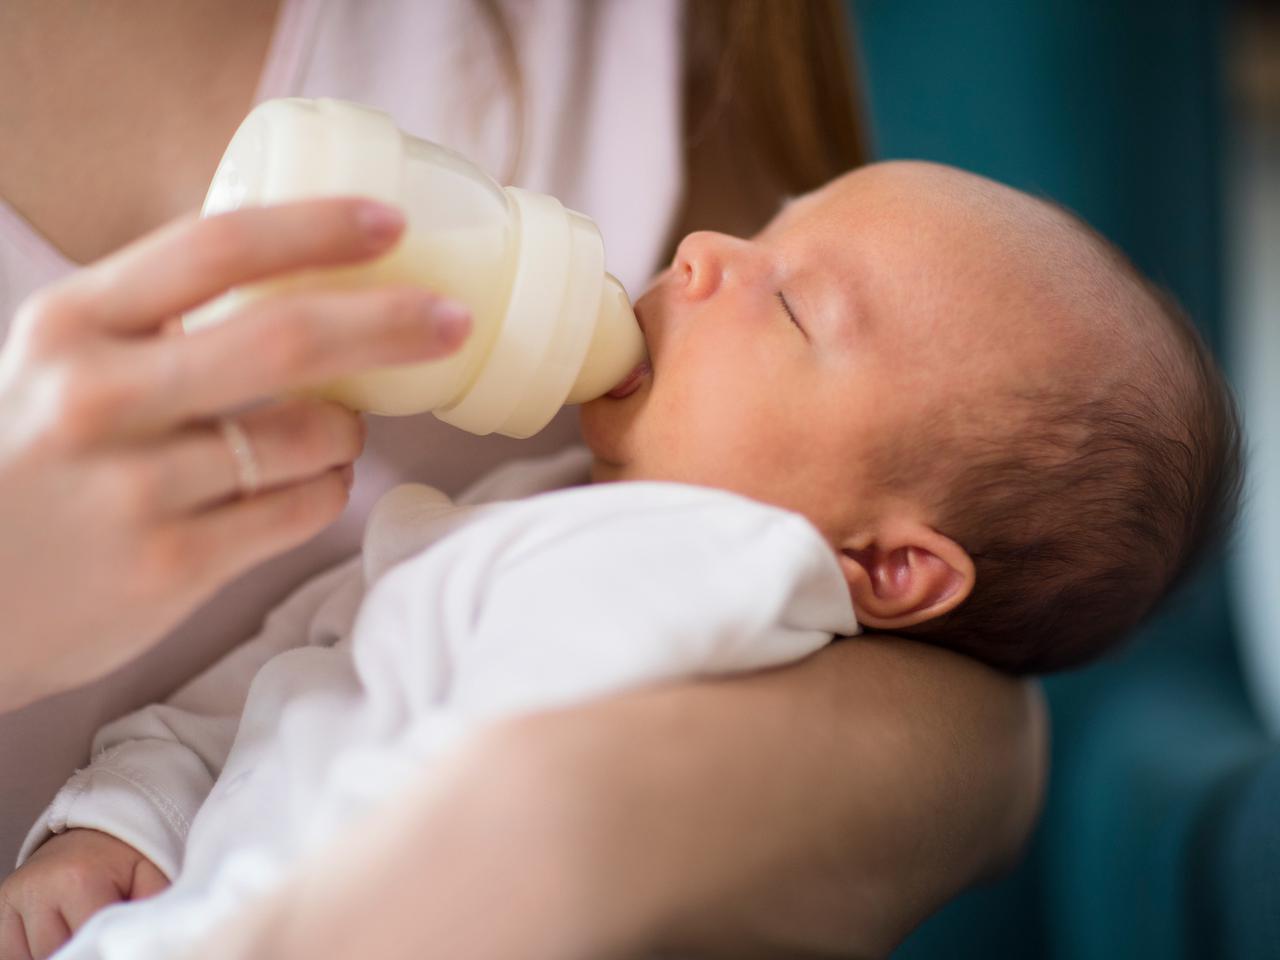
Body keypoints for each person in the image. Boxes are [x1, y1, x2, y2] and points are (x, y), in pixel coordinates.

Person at [0, 2, 1047, 957]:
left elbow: (968, 732)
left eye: (789, 307)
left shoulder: (758, 577)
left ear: (891, 566)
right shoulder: (496, 521)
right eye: (762, 234)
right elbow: (264, 691)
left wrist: (539, 836)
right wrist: (118, 819)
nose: (700, 254)